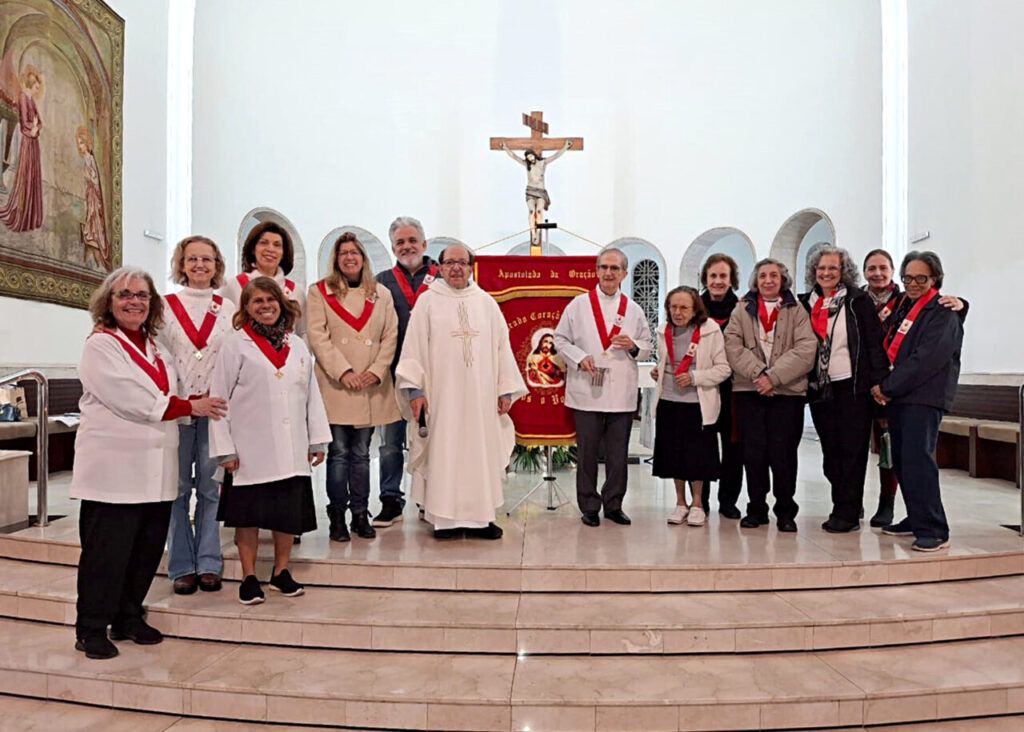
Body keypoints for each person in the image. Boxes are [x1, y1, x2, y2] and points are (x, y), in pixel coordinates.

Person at [72, 267, 226, 659]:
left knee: (144, 551)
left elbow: (171, 389)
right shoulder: (102, 345)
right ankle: (90, 628)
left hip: (156, 470)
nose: (134, 301)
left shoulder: (156, 347)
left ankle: (127, 616)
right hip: (115, 471)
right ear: (109, 301)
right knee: (106, 554)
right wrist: (189, 406)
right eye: (125, 295)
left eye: (142, 295)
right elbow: (131, 398)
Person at [209, 278, 330, 604]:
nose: (265, 306)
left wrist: (317, 439)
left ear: (281, 303)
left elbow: (311, 396)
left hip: (291, 447)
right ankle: (249, 576)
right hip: (248, 450)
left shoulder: (298, 345)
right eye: (256, 301)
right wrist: (224, 450)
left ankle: (281, 571)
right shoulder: (235, 345)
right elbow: (218, 398)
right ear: (246, 308)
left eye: (270, 300)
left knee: (285, 514)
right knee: (247, 516)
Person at [396, 243, 526, 539]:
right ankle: (445, 520)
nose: (456, 268)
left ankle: (481, 519)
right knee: (445, 451)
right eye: (449, 262)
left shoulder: (486, 303)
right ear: (439, 267)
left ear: (471, 267)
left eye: (462, 262)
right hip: (442, 398)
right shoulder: (428, 303)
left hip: (481, 399)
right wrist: (415, 391)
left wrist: (505, 390)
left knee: (480, 451)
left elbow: (502, 348)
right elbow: (413, 348)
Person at [861, 248, 968, 527]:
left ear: (935, 279)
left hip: (923, 396)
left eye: (921, 278)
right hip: (902, 397)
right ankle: (916, 517)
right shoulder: (905, 306)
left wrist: (887, 387)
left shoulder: (943, 311)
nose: (913, 284)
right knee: (903, 461)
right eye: (908, 279)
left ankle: (933, 528)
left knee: (918, 462)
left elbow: (926, 359)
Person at [307, 232, 399, 542]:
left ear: (363, 258)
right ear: (336, 259)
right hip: (337, 385)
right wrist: (344, 371)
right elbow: (317, 337)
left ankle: (360, 512)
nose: (349, 257)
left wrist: (375, 371)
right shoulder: (319, 292)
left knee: (361, 453)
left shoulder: (381, 294)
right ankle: (336, 515)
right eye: (343, 252)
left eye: (354, 252)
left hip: (370, 385)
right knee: (338, 453)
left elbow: (390, 336)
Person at [553, 247, 653, 527]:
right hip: (587, 389)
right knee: (586, 453)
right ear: (596, 271)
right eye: (604, 267)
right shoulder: (577, 305)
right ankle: (588, 505)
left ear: (624, 273)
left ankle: (613, 504)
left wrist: (634, 346)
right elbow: (560, 339)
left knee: (618, 453)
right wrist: (579, 357)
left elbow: (647, 346)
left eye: (615, 268)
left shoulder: (633, 309)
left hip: (620, 392)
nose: (609, 273)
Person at [157, 236, 235, 595]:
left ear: (217, 265)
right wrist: (180, 398)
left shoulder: (229, 307)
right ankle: (180, 565)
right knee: (176, 488)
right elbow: (156, 354)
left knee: (210, 488)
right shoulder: (164, 306)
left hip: (216, 410)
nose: (200, 265)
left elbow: (235, 358)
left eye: (207, 259)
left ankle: (208, 562)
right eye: (192, 259)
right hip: (178, 409)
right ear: (182, 264)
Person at [798, 246, 889, 533]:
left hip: (853, 387)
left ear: (843, 272)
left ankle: (846, 511)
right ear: (814, 271)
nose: (826, 273)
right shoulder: (804, 303)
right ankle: (848, 500)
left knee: (852, 450)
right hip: (820, 388)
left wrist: (878, 381)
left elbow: (874, 344)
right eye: (821, 268)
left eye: (833, 268)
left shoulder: (857, 301)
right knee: (830, 454)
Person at [724, 258, 816, 532]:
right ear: (756, 280)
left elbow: (806, 348)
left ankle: (786, 511)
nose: (768, 280)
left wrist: (773, 378)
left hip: (787, 392)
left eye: (774, 275)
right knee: (753, 453)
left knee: (784, 453)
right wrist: (759, 374)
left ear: (783, 279)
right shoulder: (741, 309)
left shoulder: (796, 309)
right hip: (749, 391)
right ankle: (756, 508)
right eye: (763, 275)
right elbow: (732, 345)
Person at [372, 216, 438, 528]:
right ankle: (390, 499)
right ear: (393, 247)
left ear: (424, 244)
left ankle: (431, 498)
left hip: (435, 375)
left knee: (434, 438)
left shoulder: (442, 277)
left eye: (412, 241)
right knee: (389, 443)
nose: (407, 246)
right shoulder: (382, 281)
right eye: (400, 242)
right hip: (392, 374)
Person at [649, 286, 731, 526]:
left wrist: (695, 377)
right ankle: (680, 503)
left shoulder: (709, 330)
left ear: (695, 309)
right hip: (669, 401)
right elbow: (666, 361)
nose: (678, 312)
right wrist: (658, 371)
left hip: (698, 404)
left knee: (697, 456)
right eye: (673, 307)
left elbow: (723, 368)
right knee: (673, 454)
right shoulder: (664, 331)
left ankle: (697, 504)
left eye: (684, 307)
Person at [699, 254, 744, 519]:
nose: (717, 281)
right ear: (705, 278)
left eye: (723, 276)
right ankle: (700, 500)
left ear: (731, 280)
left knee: (733, 447)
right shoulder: (695, 309)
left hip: (734, 390)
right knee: (703, 445)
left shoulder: (741, 309)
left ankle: (728, 499)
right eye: (713, 276)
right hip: (703, 388)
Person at [220, 221, 306, 336]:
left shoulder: (295, 291)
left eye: (277, 245)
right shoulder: (233, 286)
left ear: (284, 253)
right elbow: (223, 329)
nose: (270, 249)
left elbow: (303, 333)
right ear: (252, 249)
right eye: (263, 243)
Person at [501, 140, 571, 245]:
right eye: (528, 158)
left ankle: (537, 232)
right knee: (531, 211)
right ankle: (533, 233)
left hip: (541, 192)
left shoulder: (543, 162)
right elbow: (514, 157)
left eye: (531, 156)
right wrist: (505, 147)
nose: (530, 158)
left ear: (533, 155)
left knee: (538, 211)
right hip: (530, 190)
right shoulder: (526, 165)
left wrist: (565, 146)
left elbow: (556, 155)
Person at [0, 66, 44, 232]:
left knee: (33, 175)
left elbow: (39, 121)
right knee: (26, 174)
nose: (37, 90)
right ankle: (22, 212)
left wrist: (36, 128)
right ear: (31, 85)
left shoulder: (32, 100)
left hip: (34, 142)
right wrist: (31, 130)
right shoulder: (23, 99)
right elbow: (24, 122)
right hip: (28, 141)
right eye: (36, 87)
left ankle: (31, 214)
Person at [75, 126, 112, 271]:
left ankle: (94, 237)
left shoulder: (90, 159)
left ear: (88, 144)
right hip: (89, 193)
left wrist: (88, 178)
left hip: (93, 195)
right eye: (79, 143)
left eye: (82, 143)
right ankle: (91, 236)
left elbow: (95, 180)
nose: (80, 146)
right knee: (89, 215)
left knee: (93, 215)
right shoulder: (85, 159)